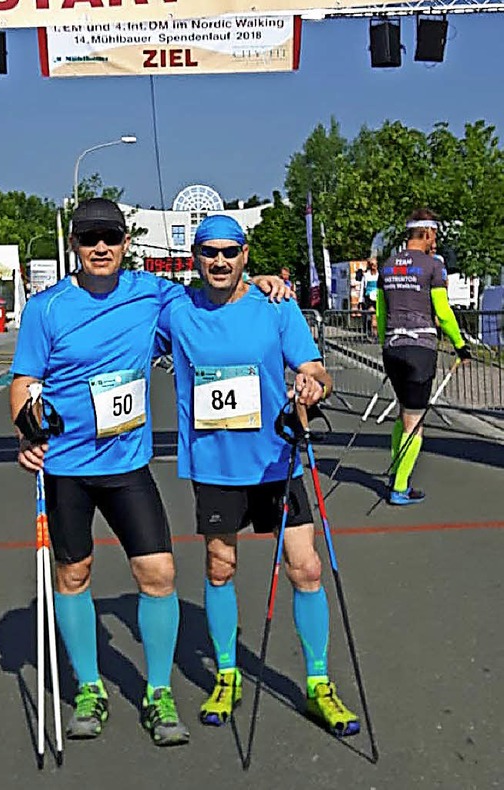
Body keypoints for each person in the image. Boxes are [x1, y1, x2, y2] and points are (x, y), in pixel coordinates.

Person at [9, 198, 288, 748]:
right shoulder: (46, 310)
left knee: (158, 574)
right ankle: (90, 686)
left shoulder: (151, 293)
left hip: (128, 465)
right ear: (75, 245)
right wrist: (27, 431)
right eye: (89, 239)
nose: (101, 248)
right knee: (73, 576)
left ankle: (157, 692)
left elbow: (213, 293)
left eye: (110, 238)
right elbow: (23, 381)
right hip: (67, 465)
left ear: (126, 242)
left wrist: (258, 282)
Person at [156, 215, 360, 736]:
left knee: (307, 568)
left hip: (278, 459)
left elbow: (316, 370)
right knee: (221, 567)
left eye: (229, 251)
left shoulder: (276, 303)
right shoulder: (174, 309)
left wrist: (313, 388)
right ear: (195, 258)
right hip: (216, 465)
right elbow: (116, 334)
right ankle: (227, 675)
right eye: (209, 252)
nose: (219, 261)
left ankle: (318, 684)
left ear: (246, 254)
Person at [376, 209, 471, 506]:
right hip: (420, 348)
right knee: (414, 422)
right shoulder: (433, 266)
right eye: (435, 236)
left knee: (404, 412)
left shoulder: (388, 264)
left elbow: (380, 312)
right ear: (428, 233)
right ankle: (400, 487)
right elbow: (442, 312)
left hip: (392, 346)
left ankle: (396, 472)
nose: (435, 242)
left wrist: (385, 343)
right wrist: (460, 344)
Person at [361, 258, 379, 337]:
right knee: (373, 316)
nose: (373, 266)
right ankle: (374, 334)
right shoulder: (366, 275)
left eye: (375, 265)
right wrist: (360, 300)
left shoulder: (379, 275)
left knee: (378, 317)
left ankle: (377, 333)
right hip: (369, 298)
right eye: (372, 265)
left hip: (378, 298)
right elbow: (362, 288)